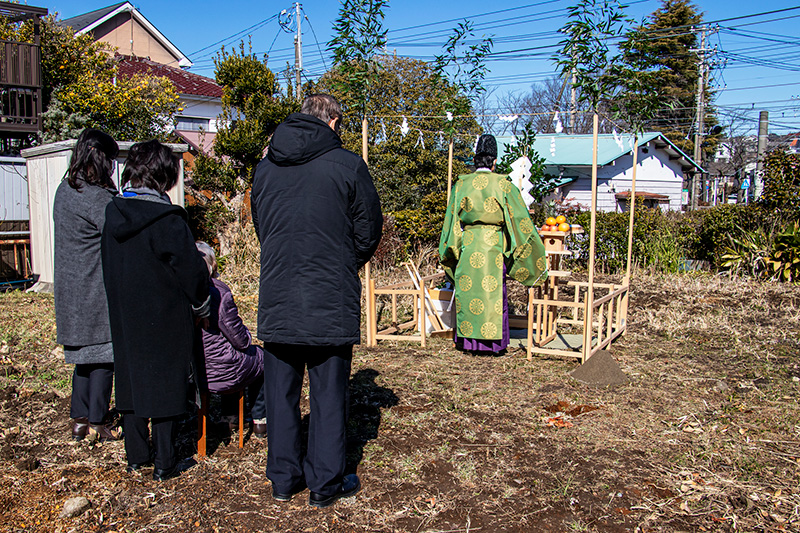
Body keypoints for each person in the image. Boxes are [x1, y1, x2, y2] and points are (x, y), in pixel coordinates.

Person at [250, 94, 382, 508]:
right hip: (329, 293)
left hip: (279, 292)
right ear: (334, 121)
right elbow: (368, 229)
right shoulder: (347, 164)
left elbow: (262, 227)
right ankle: (325, 484)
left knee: (280, 393)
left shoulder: (264, 169)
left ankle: (283, 480)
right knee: (328, 394)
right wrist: (344, 261)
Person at [101, 140, 210, 481]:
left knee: (131, 378)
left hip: (123, 311)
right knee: (163, 384)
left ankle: (135, 456)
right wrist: (202, 301)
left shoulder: (113, 213)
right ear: (166, 175)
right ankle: (165, 462)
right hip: (164, 313)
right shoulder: (167, 218)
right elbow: (191, 270)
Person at [439, 134, 548, 354]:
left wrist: (451, 251)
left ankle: (467, 343)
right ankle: (493, 345)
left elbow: (450, 223)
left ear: (475, 159)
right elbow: (520, 221)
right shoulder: (503, 184)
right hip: (494, 246)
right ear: (495, 161)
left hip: (468, 244)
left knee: (468, 292)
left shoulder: (461, 184)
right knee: (493, 295)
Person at [53, 129, 123, 443]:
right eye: (110, 160)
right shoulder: (97, 198)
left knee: (84, 357)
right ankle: (99, 418)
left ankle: (79, 419)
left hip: (70, 285)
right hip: (96, 285)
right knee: (104, 356)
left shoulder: (64, 190)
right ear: (101, 158)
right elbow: (120, 231)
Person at [195, 241, 266, 437]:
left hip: (193, 372)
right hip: (223, 371)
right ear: (212, 265)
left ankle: (229, 416)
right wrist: (249, 336)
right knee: (260, 357)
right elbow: (240, 340)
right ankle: (260, 419)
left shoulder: (176, 292)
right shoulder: (218, 292)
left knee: (233, 356)